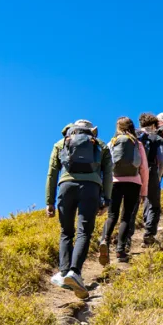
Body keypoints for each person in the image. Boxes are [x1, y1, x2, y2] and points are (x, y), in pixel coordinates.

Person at [45, 119, 112, 299]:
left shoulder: (61, 143)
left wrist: (49, 201)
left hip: (66, 187)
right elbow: (108, 173)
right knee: (84, 231)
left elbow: (52, 172)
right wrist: (106, 198)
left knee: (66, 232)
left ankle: (64, 272)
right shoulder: (100, 145)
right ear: (91, 131)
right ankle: (75, 272)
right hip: (91, 188)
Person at [98, 117, 149, 264]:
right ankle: (120, 251)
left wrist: (103, 189)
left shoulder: (112, 143)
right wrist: (144, 192)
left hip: (114, 182)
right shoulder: (137, 144)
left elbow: (105, 168)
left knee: (112, 215)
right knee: (126, 217)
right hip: (133, 183)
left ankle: (105, 241)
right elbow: (144, 169)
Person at [137, 113, 163, 245]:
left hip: (133, 173)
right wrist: (159, 174)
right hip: (150, 170)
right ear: (153, 125)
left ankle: (124, 242)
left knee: (131, 205)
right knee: (153, 203)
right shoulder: (157, 138)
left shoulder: (133, 137)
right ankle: (149, 234)